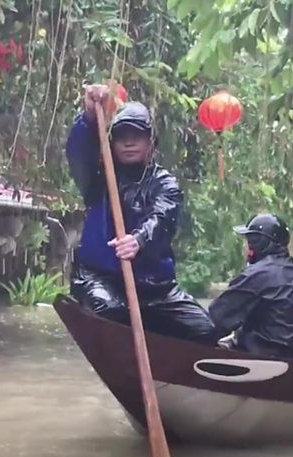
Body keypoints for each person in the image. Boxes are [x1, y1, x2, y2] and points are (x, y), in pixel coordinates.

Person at [65, 85, 218, 344]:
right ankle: (127, 360)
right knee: (109, 311)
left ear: (151, 143)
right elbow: (78, 153)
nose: (128, 142)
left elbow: (162, 217)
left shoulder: (164, 183)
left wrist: (138, 240)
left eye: (137, 135)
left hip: (155, 286)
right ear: (111, 143)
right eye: (121, 135)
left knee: (204, 330)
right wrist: (90, 116)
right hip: (103, 278)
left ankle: (164, 366)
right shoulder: (98, 180)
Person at [209, 214, 293, 359]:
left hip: (266, 358)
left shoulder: (257, 274)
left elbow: (218, 318)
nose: (245, 246)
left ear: (257, 243)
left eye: (247, 241)